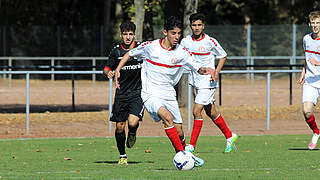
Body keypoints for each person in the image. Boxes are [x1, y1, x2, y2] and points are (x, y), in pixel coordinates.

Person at [114, 16, 216, 167]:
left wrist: (207, 70)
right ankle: (183, 156)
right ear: (165, 32)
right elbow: (130, 54)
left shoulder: (182, 52)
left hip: (169, 94)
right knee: (166, 118)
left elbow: (198, 68)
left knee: (179, 131)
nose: (177, 37)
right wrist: (118, 69)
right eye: (173, 33)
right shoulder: (151, 47)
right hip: (150, 93)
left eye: (179, 33)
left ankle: (184, 155)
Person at [180, 13, 238, 153]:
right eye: (194, 25)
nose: (197, 27)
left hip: (208, 81)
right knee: (210, 112)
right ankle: (230, 136)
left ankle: (191, 145)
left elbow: (223, 55)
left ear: (203, 26)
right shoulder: (185, 41)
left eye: (199, 25)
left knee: (196, 111)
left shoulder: (210, 41)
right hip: (195, 80)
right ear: (190, 26)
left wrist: (216, 71)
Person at [103, 21, 144, 164]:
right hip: (121, 94)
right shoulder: (116, 51)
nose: (128, 37)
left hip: (138, 93)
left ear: (134, 35)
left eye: (130, 34)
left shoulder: (141, 49)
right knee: (120, 126)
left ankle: (132, 133)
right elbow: (107, 68)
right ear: (121, 35)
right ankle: (122, 156)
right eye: (125, 34)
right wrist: (108, 73)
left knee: (132, 123)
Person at [299, 10, 320, 150]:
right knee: (306, 111)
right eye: (313, 23)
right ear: (309, 24)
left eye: (318, 23)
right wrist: (303, 71)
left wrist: (318, 63)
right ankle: (316, 132)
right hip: (311, 81)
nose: (315, 26)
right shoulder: (306, 39)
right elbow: (306, 58)